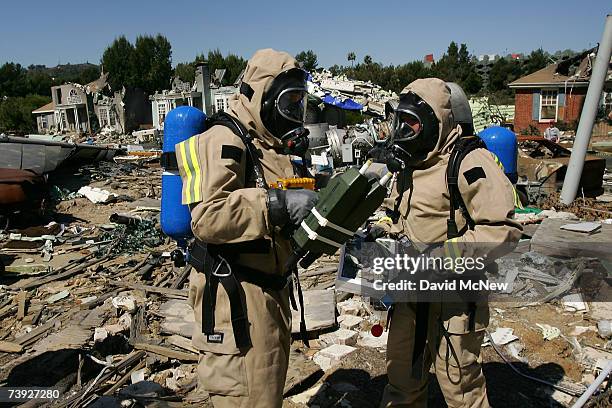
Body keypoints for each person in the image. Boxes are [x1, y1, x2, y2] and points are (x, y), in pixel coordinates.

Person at [175, 49, 318, 408]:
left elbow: (281, 200)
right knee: (247, 398)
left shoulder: (266, 143)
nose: (293, 113)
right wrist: (275, 205)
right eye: (289, 102)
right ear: (262, 95)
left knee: (266, 393)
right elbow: (207, 216)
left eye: (299, 102)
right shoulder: (225, 139)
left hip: (268, 290)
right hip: (236, 296)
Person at [374, 78, 522, 408]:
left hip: (454, 297)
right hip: (410, 293)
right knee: (401, 380)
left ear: (435, 122)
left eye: (413, 123)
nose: (405, 130)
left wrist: (441, 258)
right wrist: (383, 236)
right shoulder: (411, 165)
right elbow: (398, 213)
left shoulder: (469, 162)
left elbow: (502, 230)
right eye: (402, 122)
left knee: (461, 388)